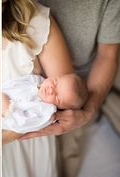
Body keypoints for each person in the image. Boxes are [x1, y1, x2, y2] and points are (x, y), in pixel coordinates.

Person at [20, 1, 120, 177]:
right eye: (55, 85)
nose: (52, 90)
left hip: (83, 86)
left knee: (70, 148)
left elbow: (108, 55)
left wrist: (87, 111)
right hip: (43, 69)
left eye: (55, 95)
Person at [2, 0, 75, 177]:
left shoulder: (35, 20)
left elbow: (65, 100)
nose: (52, 88)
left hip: (23, 140)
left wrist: (5, 131)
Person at [2, 73, 87, 144]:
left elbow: (21, 124)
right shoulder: (36, 80)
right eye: (55, 82)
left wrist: (7, 109)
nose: (51, 90)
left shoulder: (46, 112)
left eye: (57, 97)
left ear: (61, 108)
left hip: (5, 116)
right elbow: (15, 82)